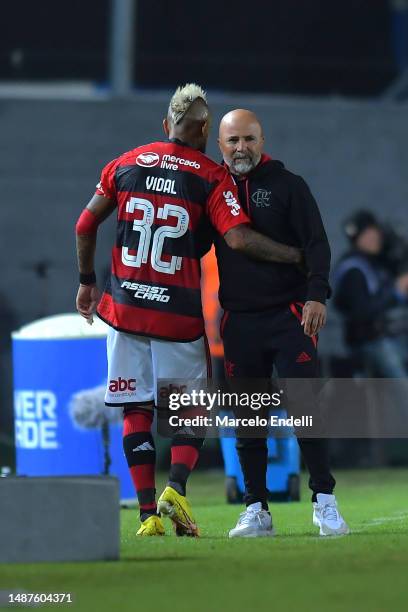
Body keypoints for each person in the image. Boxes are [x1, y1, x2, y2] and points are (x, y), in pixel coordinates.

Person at [75, 86, 302, 537]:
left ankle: (146, 517)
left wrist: (86, 281)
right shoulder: (210, 175)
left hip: (123, 308)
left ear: (165, 125)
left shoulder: (125, 163)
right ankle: (175, 489)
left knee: (134, 407)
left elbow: (84, 225)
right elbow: (238, 239)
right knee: (192, 411)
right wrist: (296, 255)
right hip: (176, 315)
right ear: (203, 129)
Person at [215, 109, 349, 537]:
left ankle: (324, 501)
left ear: (262, 140)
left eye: (249, 139)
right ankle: (256, 508)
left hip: (290, 315)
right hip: (239, 321)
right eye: (233, 140)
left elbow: (318, 245)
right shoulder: (211, 190)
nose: (241, 148)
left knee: (306, 409)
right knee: (248, 419)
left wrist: (315, 295)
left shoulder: (290, 186)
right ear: (220, 145)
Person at [334, 210, 408, 376]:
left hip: (388, 337)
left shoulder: (377, 263)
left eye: (373, 233)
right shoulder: (354, 269)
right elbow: (361, 312)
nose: (373, 239)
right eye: (366, 235)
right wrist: (396, 291)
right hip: (371, 342)